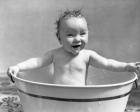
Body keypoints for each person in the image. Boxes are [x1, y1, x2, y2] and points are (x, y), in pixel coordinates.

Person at [7, 9, 140, 86]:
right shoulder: (55, 54)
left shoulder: (88, 56)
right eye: (70, 35)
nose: (77, 38)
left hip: (79, 96)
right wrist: (18, 67)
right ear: (59, 38)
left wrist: (127, 66)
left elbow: (108, 63)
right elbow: (36, 61)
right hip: (56, 95)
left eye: (82, 33)